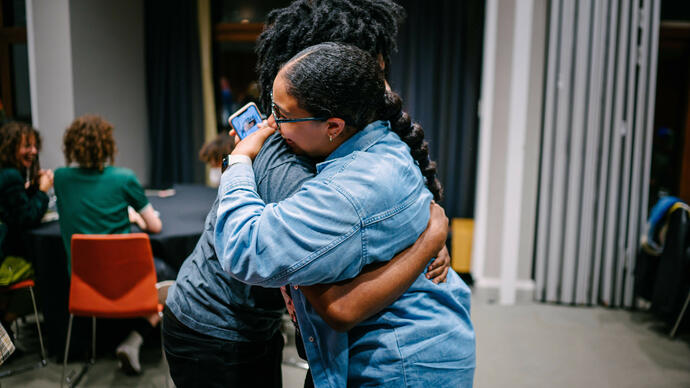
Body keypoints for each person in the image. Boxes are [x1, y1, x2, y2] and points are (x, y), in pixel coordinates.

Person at [163, 1, 452, 387]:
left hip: (255, 322)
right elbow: (338, 304)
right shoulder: (291, 166)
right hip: (215, 328)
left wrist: (420, 228)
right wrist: (428, 238)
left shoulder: (335, 150)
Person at [216, 43, 475, 387]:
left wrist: (237, 162)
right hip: (431, 341)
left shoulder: (347, 190)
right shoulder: (383, 141)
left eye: (282, 114)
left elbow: (244, 248)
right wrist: (429, 241)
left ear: (334, 126)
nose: (271, 124)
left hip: (402, 363)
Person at [53, 114, 173, 375]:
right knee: (169, 273)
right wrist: (133, 216)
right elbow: (155, 227)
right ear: (108, 145)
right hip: (128, 282)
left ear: (71, 145)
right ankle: (134, 340)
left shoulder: (60, 178)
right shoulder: (124, 178)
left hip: (82, 283)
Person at [0, 122, 53, 332]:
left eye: (34, 145)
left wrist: (32, 189)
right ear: (10, 147)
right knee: (49, 276)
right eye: (26, 146)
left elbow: (14, 206)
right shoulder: (11, 176)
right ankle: (5, 327)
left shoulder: (7, 173)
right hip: (6, 258)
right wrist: (42, 191)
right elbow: (27, 217)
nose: (33, 151)